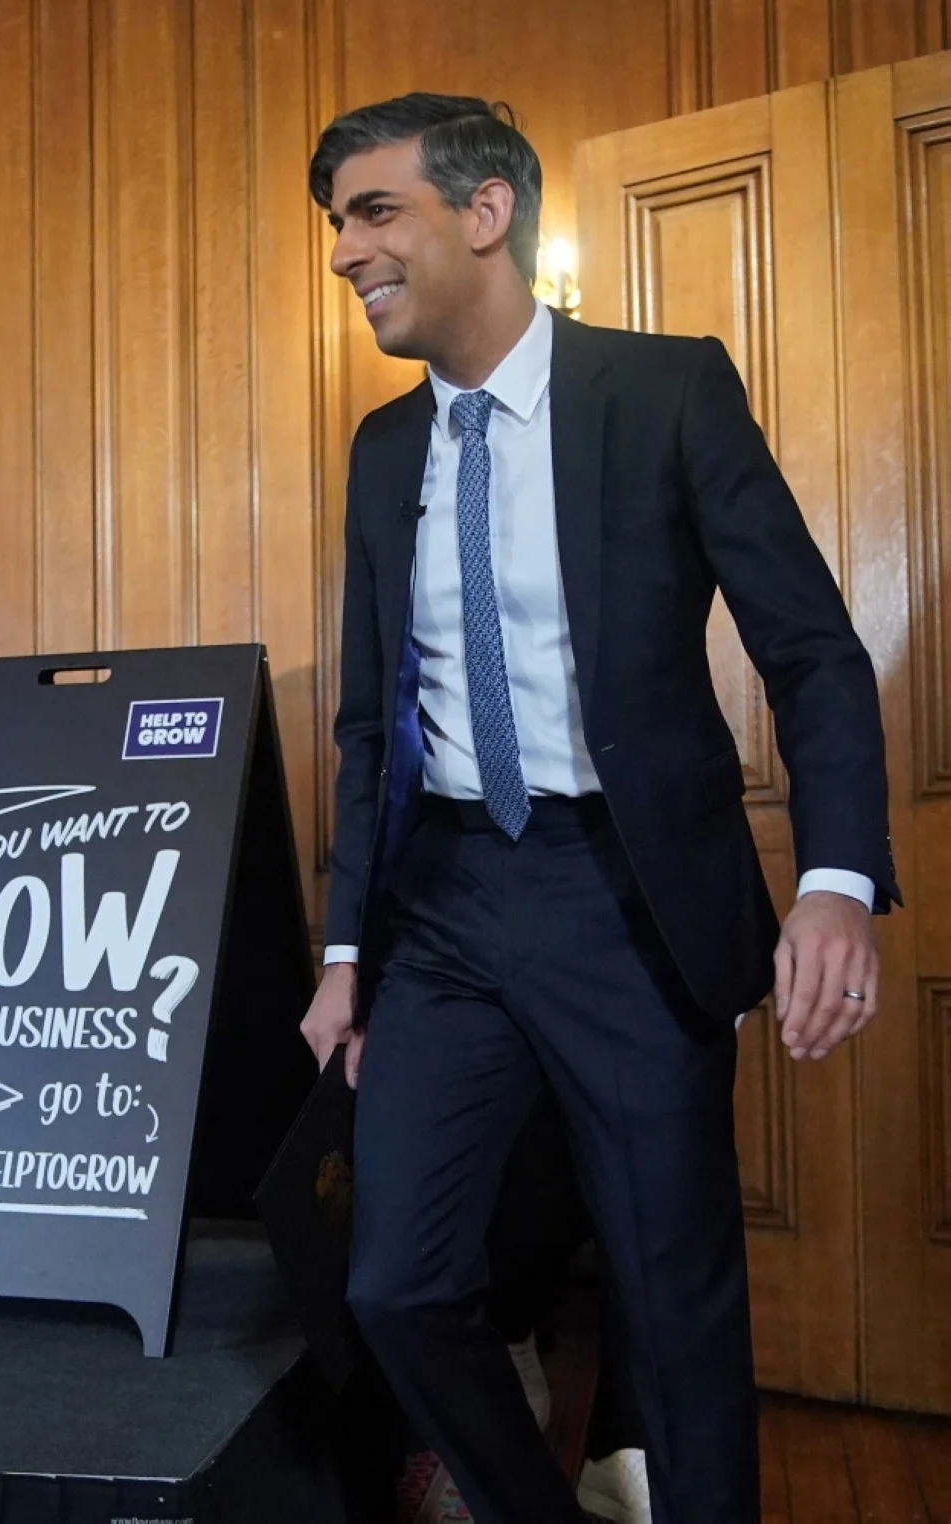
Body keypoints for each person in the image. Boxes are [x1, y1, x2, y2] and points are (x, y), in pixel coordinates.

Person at [300, 93, 898, 1524]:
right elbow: (373, 725)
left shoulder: (665, 390)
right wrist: (344, 950)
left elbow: (811, 652)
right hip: (445, 906)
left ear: (485, 211)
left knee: (671, 1299)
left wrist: (837, 882)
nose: (344, 252)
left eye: (374, 213)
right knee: (396, 1287)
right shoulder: (384, 451)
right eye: (336, 223)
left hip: (624, 896)